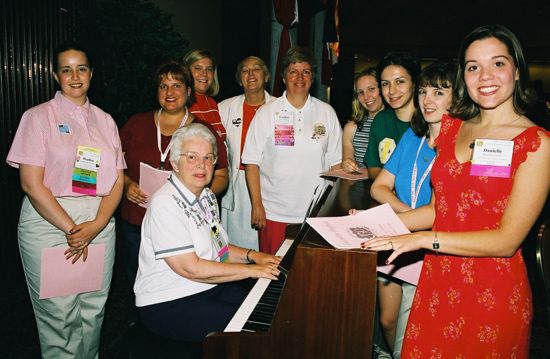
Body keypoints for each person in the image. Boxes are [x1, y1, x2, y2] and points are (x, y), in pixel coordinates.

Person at [362, 25, 549, 357]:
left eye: (498, 63)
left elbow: (507, 241)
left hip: (491, 289)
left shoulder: (536, 144)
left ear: (517, 71)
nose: (485, 76)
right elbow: (439, 209)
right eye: (473, 66)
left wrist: (421, 239)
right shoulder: (453, 130)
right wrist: (378, 224)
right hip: (438, 279)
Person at [6, 41, 125, 358]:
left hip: (98, 221)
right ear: (55, 75)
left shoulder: (105, 120)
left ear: (91, 73)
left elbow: (117, 180)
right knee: (60, 318)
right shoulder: (38, 117)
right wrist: (74, 229)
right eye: (67, 69)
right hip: (51, 221)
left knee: (92, 311)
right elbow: (31, 184)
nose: (75, 76)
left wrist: (97, 224)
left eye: (81, 68)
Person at [134, 123, 281, 342]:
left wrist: (254, 255)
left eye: (208, 158)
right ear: (175, 163)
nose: (201, 166)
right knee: (255, 333)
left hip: (207, 285)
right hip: (169, 301)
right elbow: (190, 268)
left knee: (271, 312)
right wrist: (251, 270)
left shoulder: (206, 196)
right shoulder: (165, 204)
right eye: (191, 157)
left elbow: (219, 248)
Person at [119, 60, 229, 323]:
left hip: (185, 224)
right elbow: (115, 165)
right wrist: (126, 184)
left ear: (189, 91)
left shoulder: (203, 130)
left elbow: (222, 176)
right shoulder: (136, 123)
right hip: (137, 220)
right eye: (163, 86)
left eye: (177, 85)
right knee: (142, 283)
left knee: (186, 286)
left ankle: (179, 324)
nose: (170, 92)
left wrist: (193, 198)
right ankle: (144, 328)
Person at [369, 61, 455, 359]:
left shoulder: (460, 145)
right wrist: (406, 216)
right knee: (387, 321)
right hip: (400, 237)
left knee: (412, 331)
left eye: (439, 92)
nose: (427, 100)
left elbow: (442, 209)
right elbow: (378, 187)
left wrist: (402, 223)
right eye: (423, 91)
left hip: (430, 247)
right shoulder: (412, 137)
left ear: (456, 98)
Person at [242, 46, 342, 254]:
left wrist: (331, 210)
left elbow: (336, 165)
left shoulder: (327, 112)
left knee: (308, 278)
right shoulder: (267, 113)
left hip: (315, 214)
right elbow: (251, 162)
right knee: (273, 276)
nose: (300, 77)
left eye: (306, 72)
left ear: (312, 78)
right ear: (284, 77)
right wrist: (257, 205)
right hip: (274, 213)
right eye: (293, 71)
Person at [219, 56, 274, 250]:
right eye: (245, 70)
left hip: (269, 183)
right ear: (239, 79)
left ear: (266, 76)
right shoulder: (225, 108)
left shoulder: (279, 108)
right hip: (236, 184)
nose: (251, 74)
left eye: (256, 69)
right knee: (233, 245)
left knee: (267, 245)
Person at [364, 51, 421, 179]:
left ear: (414, 83)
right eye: (385, 84)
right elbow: (373, 169)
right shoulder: (381, 120)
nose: (391, 91)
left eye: (399, 82)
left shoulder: (429, 122)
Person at [342, 67, 385, 172]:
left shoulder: (398, 123)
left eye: (371, 89)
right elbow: (347, 162)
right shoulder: (351, 128)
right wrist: (347, 164)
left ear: (383, 89)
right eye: (361, 92)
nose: (366, 96)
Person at [183, 49, 226, 140]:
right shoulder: (181, 103)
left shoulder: (213, 103)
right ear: (186, 72)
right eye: (197, 68)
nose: (204, 74)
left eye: (209, 69)